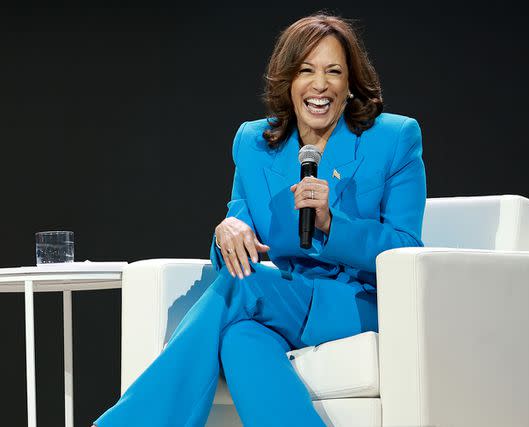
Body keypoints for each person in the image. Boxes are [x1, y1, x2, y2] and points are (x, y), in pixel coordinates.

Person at [93, 13, 426, 427]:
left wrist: (331, 225)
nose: (319, 85)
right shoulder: (254, 144)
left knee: (241, 288)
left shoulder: (393, 138)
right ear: (288, 81)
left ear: (350, 84)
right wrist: (226, 231)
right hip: (285, 298)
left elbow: (407, 248)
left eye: (333, 72)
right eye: (306, 70)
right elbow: (238, 229)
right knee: (240, 338)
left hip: (360, 304)